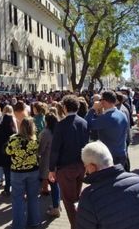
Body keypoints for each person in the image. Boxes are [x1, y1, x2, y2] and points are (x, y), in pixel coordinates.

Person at [76, 141, 139, 229]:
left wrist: (84, 210)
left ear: (92, 166)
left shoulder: (89, 196)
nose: (86, 171)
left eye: (85, 166)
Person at [49, 95, 89, 227]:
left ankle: (76, 225)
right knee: (76, 197)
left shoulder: (61, 125)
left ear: (65, 108)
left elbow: (55, 149)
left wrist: (51, 169)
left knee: (68, 200)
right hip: (81, 165)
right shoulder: (84, 122)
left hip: (66, 168)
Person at [6, 117, 41, 229]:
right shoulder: (35, 140)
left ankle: (18, 225)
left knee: (17, 199)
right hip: (33, 170)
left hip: (17, 172)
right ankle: (34, 222)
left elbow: (8, 151)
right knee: (33, 197)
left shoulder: (13, 139)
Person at [85, 90, 129, 168]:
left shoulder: (108, 117)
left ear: (104, 101)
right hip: (121, 152)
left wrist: (92, 109)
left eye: (100, 100)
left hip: (110, 156)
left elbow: (86, 124)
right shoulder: (121, 114)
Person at [39, 112, 61, 217]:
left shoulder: (45, 133)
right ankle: (57, 204)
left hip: (48, 162)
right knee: (56, 184)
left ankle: (56, 207)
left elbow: (41, 149)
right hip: (59, 161)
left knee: (53, 183)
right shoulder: (59, 131)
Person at [0, 113, 15, 196]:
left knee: (1, 170)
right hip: (8, 154)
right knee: (8, 172)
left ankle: (1, 183)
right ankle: (8, 188)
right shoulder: (12, 130)